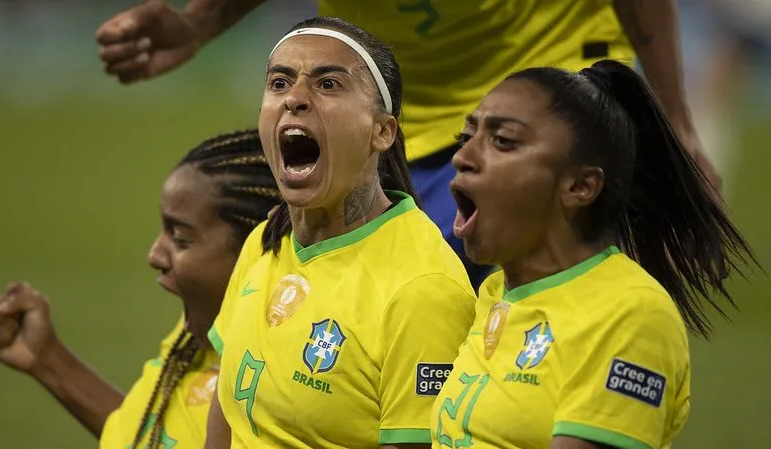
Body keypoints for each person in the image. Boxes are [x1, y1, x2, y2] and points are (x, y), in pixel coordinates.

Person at [94, 0, 718, 291]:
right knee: (387, 341)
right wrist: (196, 22)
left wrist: (675, 120)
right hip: (392, 112)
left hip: (545, 80)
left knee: (538, 333)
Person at [428, 59, 757, 449]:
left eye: (503, 141)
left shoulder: (630, 315)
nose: (461, 157)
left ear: (581, 186)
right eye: (466, 137)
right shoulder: (496, 292)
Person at [203, 17, 476, 449]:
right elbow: (226, 414)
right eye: (279, 82)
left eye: (328, 85)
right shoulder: (265, 243)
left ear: (381, 131)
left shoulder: (422, 291)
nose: (295, 98)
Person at [0, 130, 281, 449]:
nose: (154, 255)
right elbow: (152, 434)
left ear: (254, 252)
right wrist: (47, 359)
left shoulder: (280, 386)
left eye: (180, 239)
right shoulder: (196, 342)